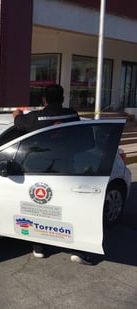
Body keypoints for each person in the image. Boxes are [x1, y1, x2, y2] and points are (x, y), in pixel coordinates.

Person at [13, 84, 92, 265]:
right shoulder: (72, 114)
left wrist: (17, 112)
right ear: (63, 99)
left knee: (40, 208)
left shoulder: (34, 117)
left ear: (44, 100)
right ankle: (77, 250)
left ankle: (39, 248)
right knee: (69, 208)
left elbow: (18, 122)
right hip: (67, 170)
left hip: (41, 171)